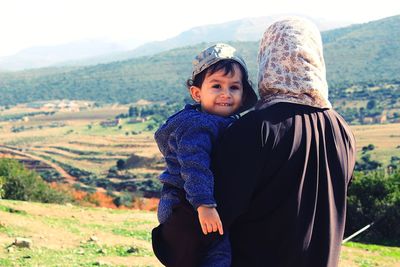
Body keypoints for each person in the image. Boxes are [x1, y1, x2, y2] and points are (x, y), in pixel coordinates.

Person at [212, 17, 357, 267]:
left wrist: (168, 239)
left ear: (268, 58)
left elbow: (216, 217)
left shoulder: (255, 128)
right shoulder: (343, 132)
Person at [151, 43, 257, 267]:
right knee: (218, 253)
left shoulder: (222, 121)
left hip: (194, 202)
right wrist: (204, 205)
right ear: (197, 93)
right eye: (216, 86)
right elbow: (194, 164)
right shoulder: (199, 125)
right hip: (187, 203)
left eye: (234, 87)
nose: (226, 94)